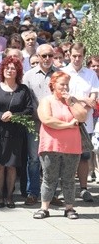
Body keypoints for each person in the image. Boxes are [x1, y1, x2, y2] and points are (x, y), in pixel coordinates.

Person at [34, 72, 88, 220]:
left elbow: (83, 116)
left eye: (66, 84)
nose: (65, 87)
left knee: (69, 178)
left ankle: (69, 208)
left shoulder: (71, 100)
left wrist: (70, 102)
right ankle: (44, 208)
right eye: (61, 84)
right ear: (53, 85)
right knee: (49, 178)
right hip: (51, 145)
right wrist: (68, 125)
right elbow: (47, 119)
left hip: (72, 146)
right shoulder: (46, 101)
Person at [0, 56, 33, 208]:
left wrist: (14, 116)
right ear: (2, 70)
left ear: (18, 71)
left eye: (13, 68)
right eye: (7, 68)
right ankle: (0, 195)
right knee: (0, 165)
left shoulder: (23, 89)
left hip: (16, 132)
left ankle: (10, 196)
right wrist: (0, 115)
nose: (10, 70)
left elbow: (29, 109)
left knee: (12, 165)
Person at [22, 44, 59, 206]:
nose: (47, 59)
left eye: (50, 55)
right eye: (43, 56)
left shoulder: (59, 75)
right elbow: (25, 100)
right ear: (37, 57)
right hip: (34, 124)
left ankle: (52, 194)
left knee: (53, 160)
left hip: (55, 125)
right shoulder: (28, 76)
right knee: (34, 160)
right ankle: (33, 193)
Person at [62, 42, 99, 202]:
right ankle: (66, 188)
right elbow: (63, 97)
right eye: (74, 56)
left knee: (84, 156)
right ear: (69, 55)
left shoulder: (90, 74)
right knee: (67, 156)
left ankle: (84, 188)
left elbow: (94, 99)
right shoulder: (62, 72)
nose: (77, 59)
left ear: (84, 57)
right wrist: (83, 100)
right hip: (67, 121)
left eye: (80, 56)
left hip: (86, 122)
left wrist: (79, 102)